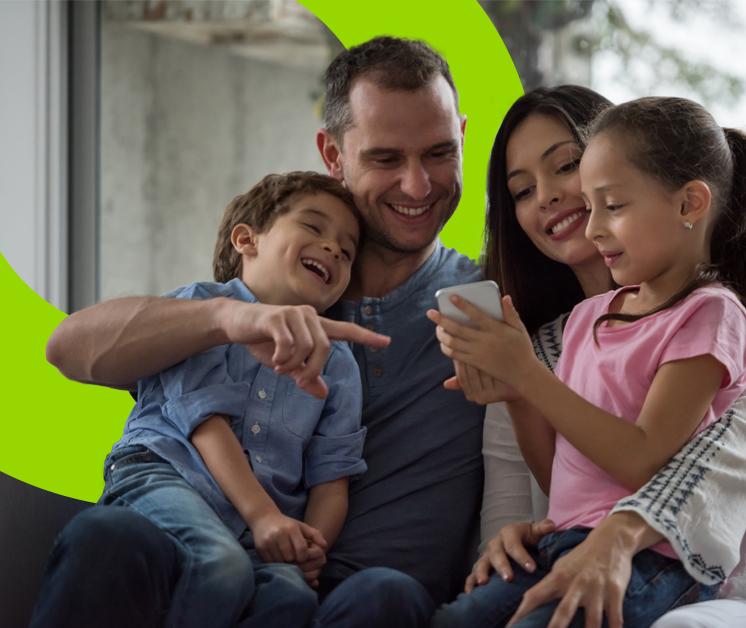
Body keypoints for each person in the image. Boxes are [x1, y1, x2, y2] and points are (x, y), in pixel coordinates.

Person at [33, 36, 483, 628]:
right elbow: (68, 349)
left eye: (438, 153)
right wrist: (230, 319)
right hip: (220, 569)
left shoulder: (484, 300)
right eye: (385, 159)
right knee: (107, 535)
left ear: (463, 139)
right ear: (333, 154)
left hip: (346, 595)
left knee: (385, 596)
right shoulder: (265, 282)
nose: (418, 185)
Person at [429, 95, 746, 627]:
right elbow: (563, 478)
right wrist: (517, 391)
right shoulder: (582, 321)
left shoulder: (713, 315)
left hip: (655, 559)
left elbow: (644, 460)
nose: (558, 200)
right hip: (566, 539)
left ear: (688, 203)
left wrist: (528, 375)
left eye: (566, 167)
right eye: (523, 190)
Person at [98, 172, 372, 628]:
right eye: (313, 227)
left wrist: (308, 546)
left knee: (291, 597)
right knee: (217, 565)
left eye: (346, 251)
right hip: (167, 477)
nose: (333, 250)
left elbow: (332, 478)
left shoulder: (339, 364)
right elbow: (205, 423)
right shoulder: (199, 309)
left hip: (258, 525)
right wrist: (263, 516)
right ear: (247, 239)